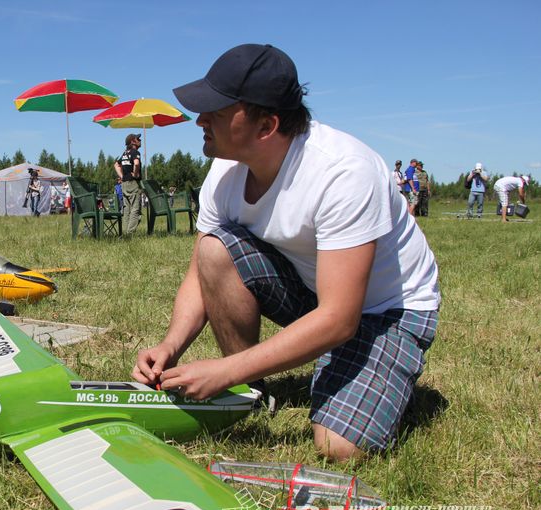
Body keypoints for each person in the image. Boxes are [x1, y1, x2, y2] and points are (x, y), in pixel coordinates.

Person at [134, 43, 440, 461]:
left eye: (217, 112)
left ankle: (354, 373)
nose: (200, 120)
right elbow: (198, 273)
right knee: (213, 250)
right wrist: (170, 346)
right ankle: (250, 390)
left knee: (339, 446)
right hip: (316, 291)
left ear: (266, 125)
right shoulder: (226, 166)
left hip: (387, 310)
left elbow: (339, 318)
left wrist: (224, 370)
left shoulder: (343, 173)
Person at [115, 133, 143, 233]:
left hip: (124, 184)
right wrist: (135, 174)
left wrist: (122, 176)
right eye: (138, 138)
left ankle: (125, 231)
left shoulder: (125, 153)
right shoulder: (135, 152)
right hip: (133, 183)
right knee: (135, 208)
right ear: (132, 142)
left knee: (127, 209)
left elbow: (116, 165)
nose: (140, 140)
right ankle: (130, 233)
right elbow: (136, 163)